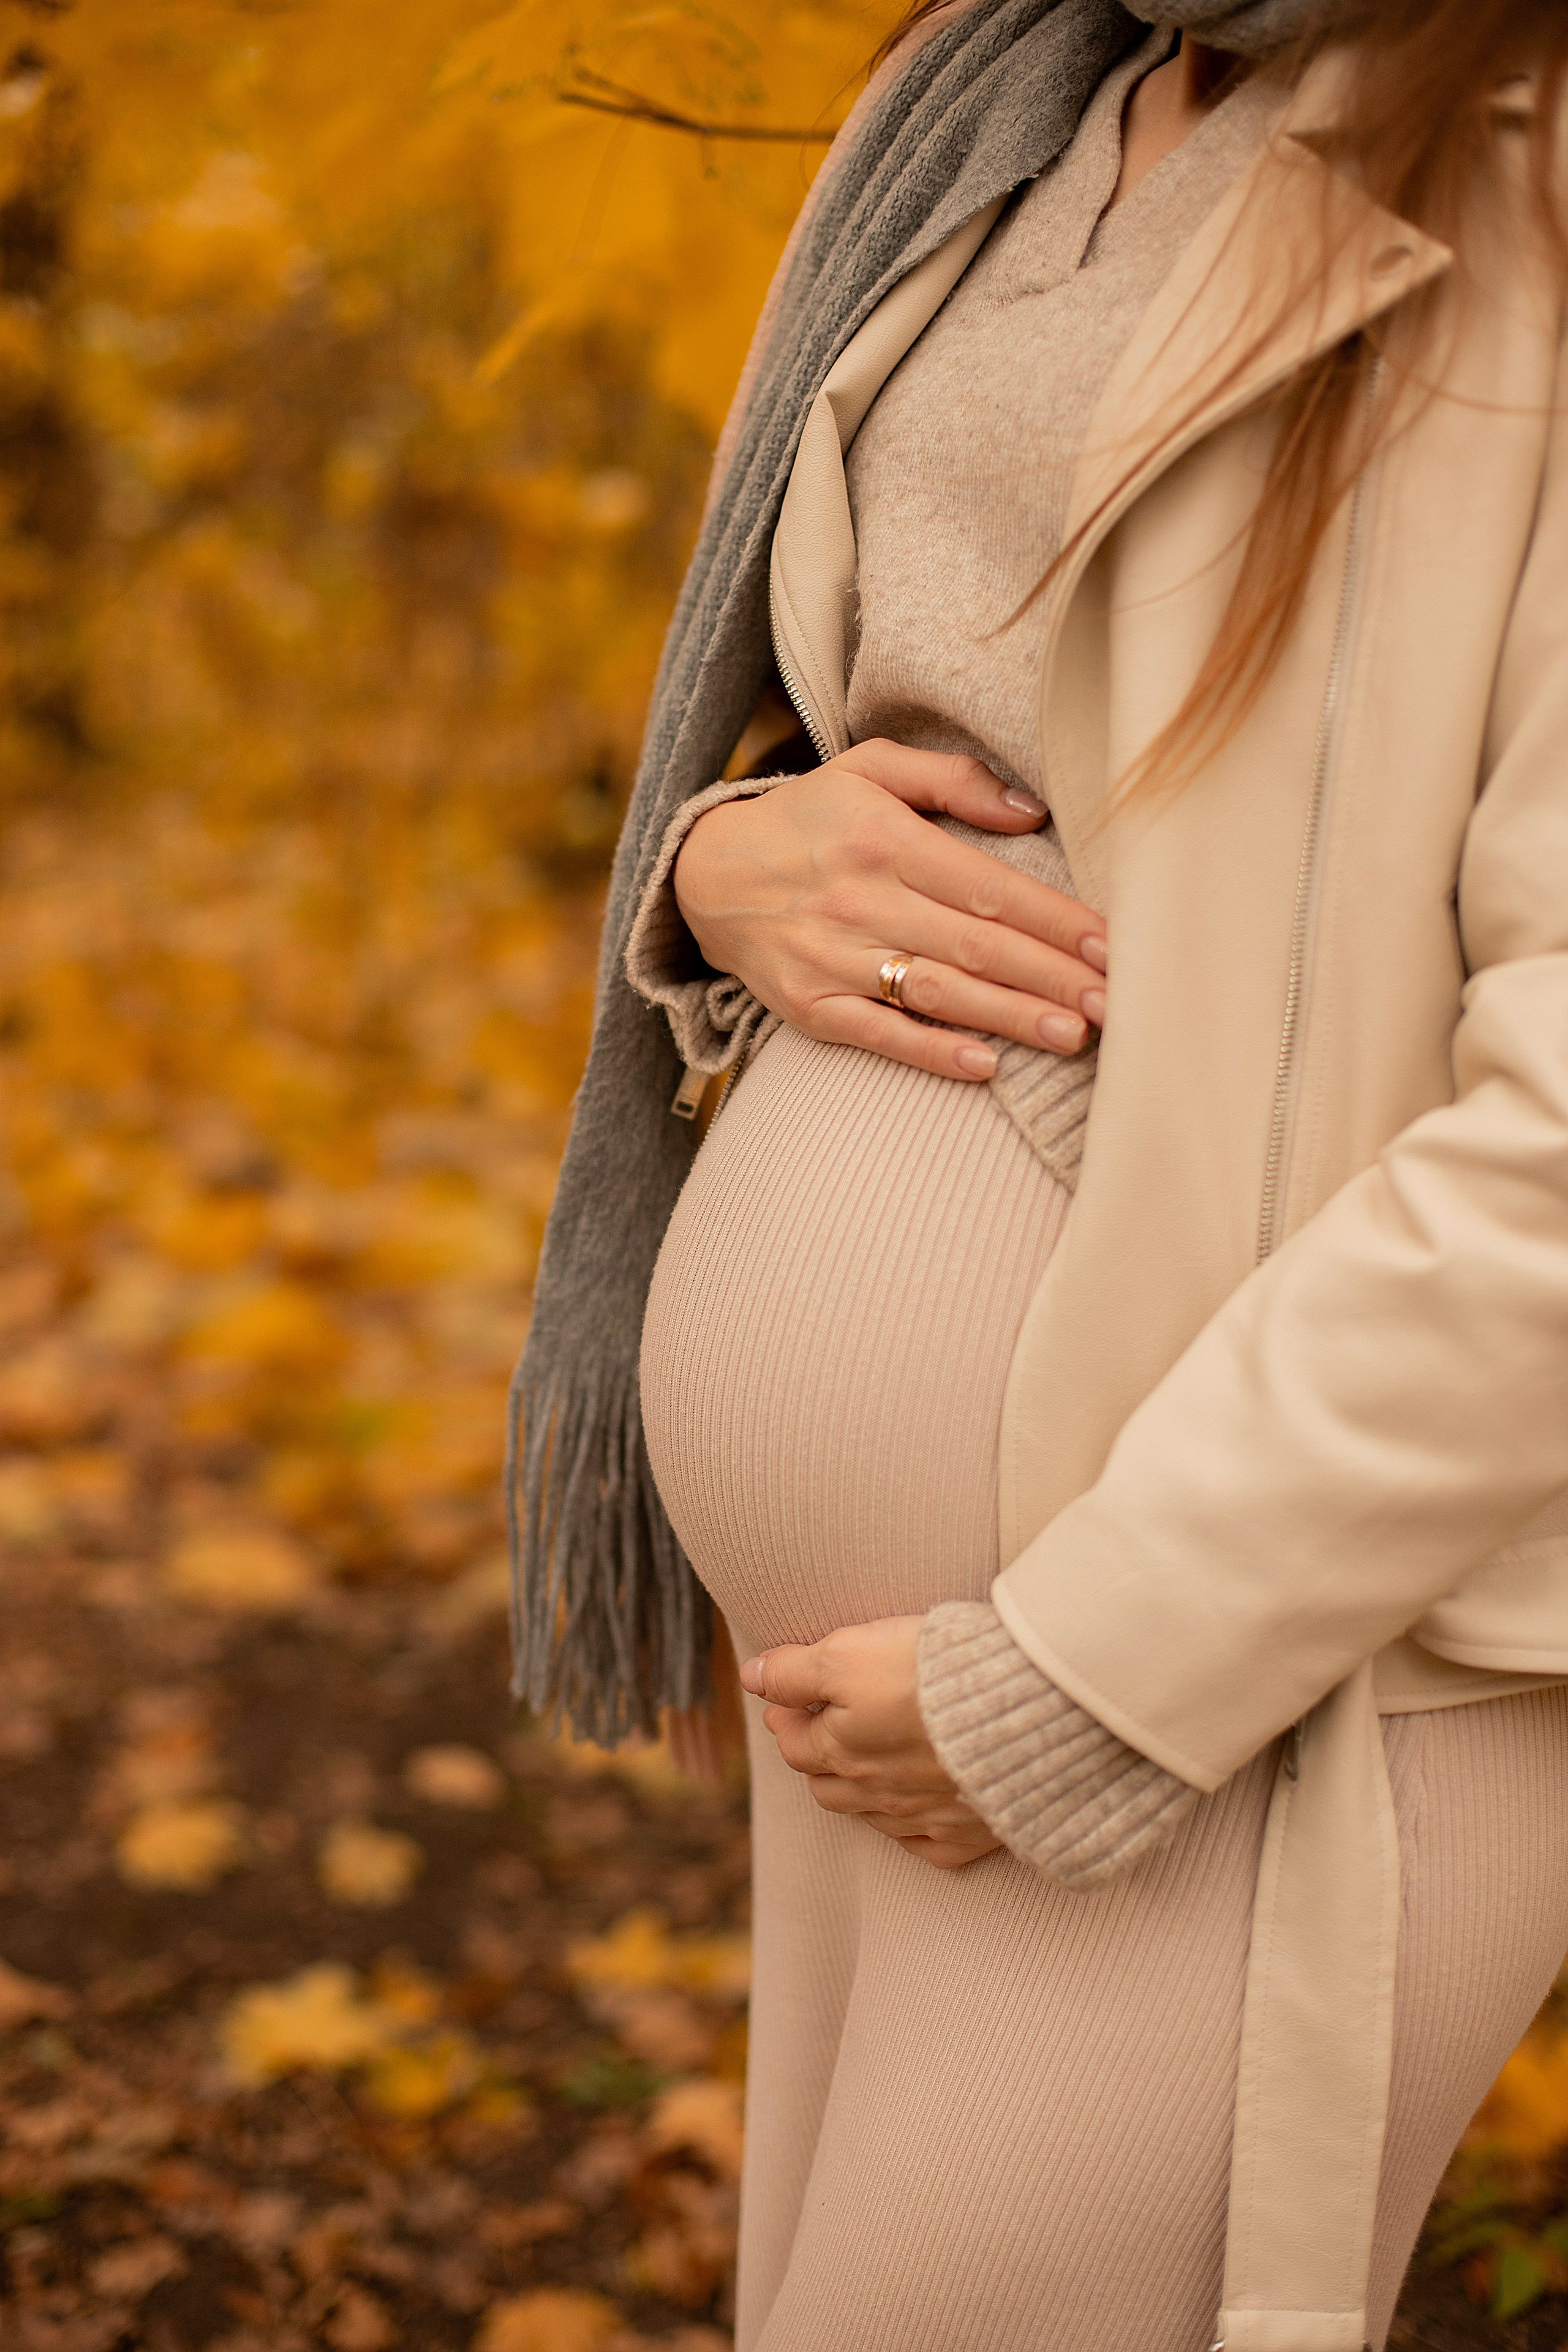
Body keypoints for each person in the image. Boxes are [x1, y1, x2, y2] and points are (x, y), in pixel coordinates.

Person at [510, 2, 1568, 2345]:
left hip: (1248, 1665)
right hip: (896, 1689)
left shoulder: (1533, 155)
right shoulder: (1007, 93)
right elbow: (941, 702)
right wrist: (728, 856)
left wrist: (1100, 1670)